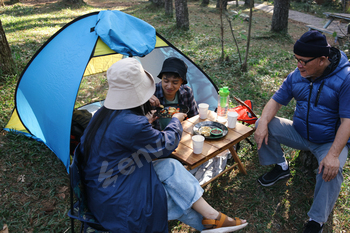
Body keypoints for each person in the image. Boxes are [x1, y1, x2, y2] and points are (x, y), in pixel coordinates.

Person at [76, 57, 248, 232]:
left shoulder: (104, 114)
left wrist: (145, 121)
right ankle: (211, 223)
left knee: (171, 165)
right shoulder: (131, 123)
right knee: (176, 197)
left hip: (107, 180)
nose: (169, 85)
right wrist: (175, 120)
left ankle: (213, 219)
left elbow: (127, 137)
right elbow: (166, 144)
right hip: (117, 198)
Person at [254, 30, 350, 233]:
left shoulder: (346, 79)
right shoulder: (297, 75)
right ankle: (281, 167)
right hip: (299, 133)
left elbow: (347, 121)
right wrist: (262, 122)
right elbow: (275, 101)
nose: (298, 65)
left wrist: (333, 154)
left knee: (332, 170)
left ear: (323, 59)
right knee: (263, 123)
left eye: (304, 61)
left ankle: (316, 221)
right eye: (296, 59)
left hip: (328, 142)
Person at [149, 57, 199, 129]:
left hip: (181, 134)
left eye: (175, 82)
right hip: (158, 136)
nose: (169, 86)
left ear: (182, 82)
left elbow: (194, 117)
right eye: (166, 81)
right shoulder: (151, 92)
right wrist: (145, 99)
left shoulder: (187, 92)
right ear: (161, 78)